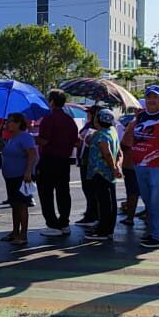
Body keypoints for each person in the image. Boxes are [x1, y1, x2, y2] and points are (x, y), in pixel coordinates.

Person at [122, 85, 159, 249]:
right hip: (141, 165)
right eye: (149, 97)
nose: (152, 100)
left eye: (155, 97)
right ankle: (154, 232)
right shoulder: (140, 116)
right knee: (150, 201)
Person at [35, 89, 80, 236]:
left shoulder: (49, 118)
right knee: (63, 192)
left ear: (52, 102)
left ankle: (52, 224)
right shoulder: (69, 119)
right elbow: (76, 141)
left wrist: (33, 138)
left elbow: (44, 140)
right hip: (64, 160)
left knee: (46, 192)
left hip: (49, 159)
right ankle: (64, 223)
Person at [82, 108, 122, 241]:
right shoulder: (112, 131)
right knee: (110, 201)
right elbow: (119, 153)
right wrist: (117, 166)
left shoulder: (102, 135)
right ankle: (107, 227)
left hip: (100, 172)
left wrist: (113, 167)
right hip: (109, 173)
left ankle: (104, 230)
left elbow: (106, 153)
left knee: (104, 202)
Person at [0, 113, 38, 246]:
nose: (7, 124)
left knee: (22, 205)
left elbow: (32, 155)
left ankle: (23, 234)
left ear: (17, 123)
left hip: (21, 176)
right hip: (11, 176)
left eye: (10, 122)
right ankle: (15, 231)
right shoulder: (12, 138)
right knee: (14, 204)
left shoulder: (25, 137)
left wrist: (28, 172)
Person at [76, 106, 100, 227]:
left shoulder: (96, 128)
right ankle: (90, 212)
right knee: (87, 188)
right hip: (83, 159)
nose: (88, 115)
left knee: (91, 189)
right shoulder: (88, 125)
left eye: (90, 113)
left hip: (90, 161)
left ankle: (93, 215)